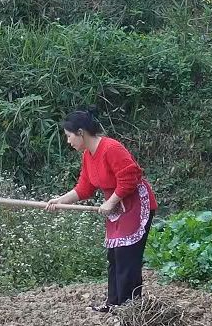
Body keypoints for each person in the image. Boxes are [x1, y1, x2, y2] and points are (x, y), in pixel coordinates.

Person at [45, 109, 157, 311]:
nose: (68, 142)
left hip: (135, 205)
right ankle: (113, 304)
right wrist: (60, 201)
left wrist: (111, 202)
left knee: (127, 256)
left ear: (81, 132)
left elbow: (129, 177)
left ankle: (129, 308)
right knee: (114, 256)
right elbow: (84, 188)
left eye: (69, 136)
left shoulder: (111, 148)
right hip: (116, 207)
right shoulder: (88, 156)